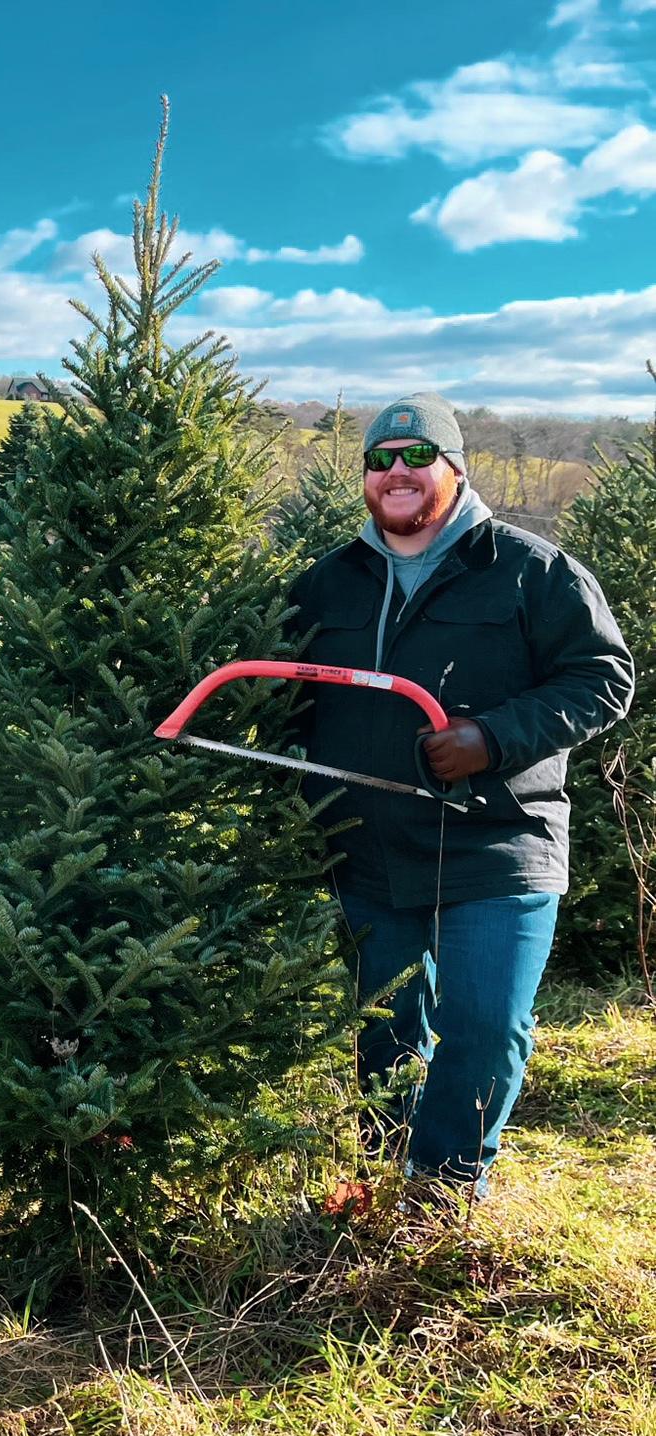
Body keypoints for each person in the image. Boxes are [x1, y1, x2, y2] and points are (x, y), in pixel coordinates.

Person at [289, 392, 634, 1201]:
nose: (397, 472)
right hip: (369, 849)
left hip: (500, 839)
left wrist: (492, 739)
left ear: (454, 467)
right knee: (387, 1031)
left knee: (485, 1023)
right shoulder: (327, 583)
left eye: (417, 456)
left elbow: (604, 678)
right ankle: (383, 1174)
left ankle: (443, 1190)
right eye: (380, 460)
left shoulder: (530, 569)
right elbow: (281, 698)